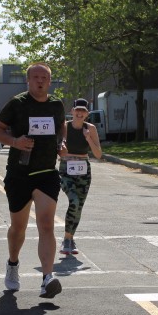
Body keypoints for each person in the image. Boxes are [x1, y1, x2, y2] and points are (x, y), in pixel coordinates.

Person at [0, 63, 66, 298]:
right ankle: (13, 263)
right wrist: (15, 142)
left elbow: (61, 127)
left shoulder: (56, 105)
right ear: (28, 80)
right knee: (18, 228)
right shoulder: (17, 103)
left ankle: (47, 278)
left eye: (44, 78)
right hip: (19, 174)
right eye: (36, 77)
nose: (40, 81)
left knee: (46, 224)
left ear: (50, 81)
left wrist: (61, 144)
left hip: (46, 173)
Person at [59, 98, 103, 255]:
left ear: (87, 114)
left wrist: (88, 138)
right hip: (66, 168)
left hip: (84, 170)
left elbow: (98, 154)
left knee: (79, 206)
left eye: (83, 111)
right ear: (72, 111)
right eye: (77, 110)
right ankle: (66, 239)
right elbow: (57, 149)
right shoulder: (64, 127)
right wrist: (61, 148)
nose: (79, 113)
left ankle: (70, 239)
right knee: (74, 201)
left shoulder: (90, 128)